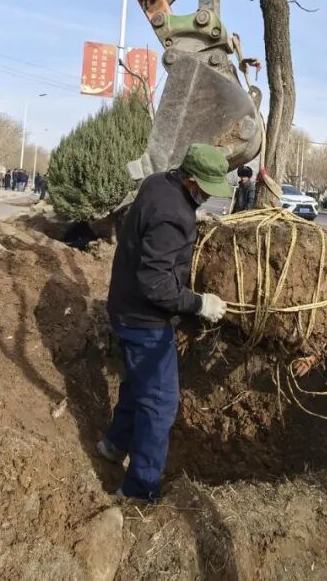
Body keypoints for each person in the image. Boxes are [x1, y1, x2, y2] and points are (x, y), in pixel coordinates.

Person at [98, 143, 234, 501]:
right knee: (159, 404)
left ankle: (114, 445)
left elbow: (157, 223)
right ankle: (139, 491)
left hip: (123, 308)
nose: (206, 197)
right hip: (145, 321)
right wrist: (198, 303)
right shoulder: (173, 214)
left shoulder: (158, 183)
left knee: (136, 385)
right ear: (190, 180)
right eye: (203, 191)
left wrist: (190, 216)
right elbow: (156, 284)